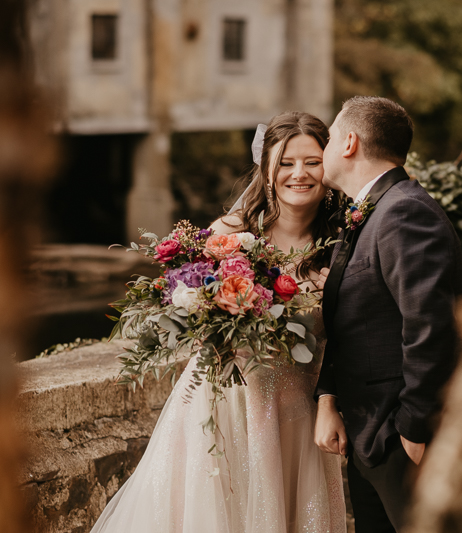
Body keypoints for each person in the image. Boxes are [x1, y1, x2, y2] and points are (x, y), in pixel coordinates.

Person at [90, 111, 347, 533]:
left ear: (329, 165)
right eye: (285, 163)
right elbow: (192, 313)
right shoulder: (231, 234)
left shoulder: (340, 245)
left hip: (299, 409)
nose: (298, 174)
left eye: (312, 162)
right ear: (266, 170)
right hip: (225, 403)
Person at [314, 96, 462, 532]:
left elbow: (431, 328)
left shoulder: (404, 212)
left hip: (401, 439)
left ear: (348, 143)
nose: (323, 149)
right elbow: (352, 324)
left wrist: (414, 432)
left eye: (326, 138)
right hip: (373, 439)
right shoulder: (376, 209)